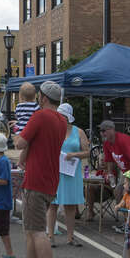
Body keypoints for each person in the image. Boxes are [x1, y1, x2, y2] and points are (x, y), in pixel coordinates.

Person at [10, 81, 67, 258]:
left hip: (36, 181)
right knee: (31, 230)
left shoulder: (40, 116)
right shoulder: (61, 120)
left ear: (42, 97)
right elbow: (35, 144)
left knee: (37, 231)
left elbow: (20, 143)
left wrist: (15, 130)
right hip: (50, 180)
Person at [46, 103, 89, 247]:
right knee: (53, 204)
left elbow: (87, 151)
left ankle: (70, 237)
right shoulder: (52, 130)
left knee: (70, 205)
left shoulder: (79, 132)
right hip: (55, 171)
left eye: (62, 116)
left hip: (71, 172)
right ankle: (50, 236)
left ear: (68, 117)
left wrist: (74, 154)